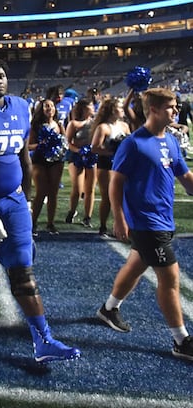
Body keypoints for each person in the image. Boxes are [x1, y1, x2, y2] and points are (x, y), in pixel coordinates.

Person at [0, 58, 80, 363]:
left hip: (14, 200)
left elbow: (24, 159)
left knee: (23, 272)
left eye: (2, 75)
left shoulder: (21, 106)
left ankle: (43, 339)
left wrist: (27, 202)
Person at [96, 87, 193, 361]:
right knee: (169, 277)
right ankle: (181, 339)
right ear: (153, 109)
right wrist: (119, 217)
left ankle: (109, 308)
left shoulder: (171, 141)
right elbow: (116, 182)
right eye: (171, 107)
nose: (176, 111)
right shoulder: (134, 143)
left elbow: (184, 177)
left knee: (137, 264)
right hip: (146, 221)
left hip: (164, 218)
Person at [90, 97, 131, 237]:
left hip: (123, 166)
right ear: (112, 110)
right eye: (120, 107)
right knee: (108, 197)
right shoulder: (103, 127)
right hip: (106, 165)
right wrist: (113, 152)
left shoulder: (125, 126)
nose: (122, 110)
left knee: (124, 196)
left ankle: (121, 226)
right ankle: (103, 226)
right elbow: (95, 148)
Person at [27, 98, 65, 235]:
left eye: (52, 106)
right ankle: (33, 223)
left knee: (53, 193)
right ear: (41, 110)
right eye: (46, 106)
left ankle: (50, 224)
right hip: (39, 160)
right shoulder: (36, 126)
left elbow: (64, 143)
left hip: (56, 161)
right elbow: (28, 146)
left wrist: (58, 147)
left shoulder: (59, 125)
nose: (50, 109)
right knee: (41, 192)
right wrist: (41, 145)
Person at [64, 98, 97, 227]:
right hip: (76, 157)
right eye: (90, 106)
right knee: (77, 189)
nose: (93, 108)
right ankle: (72, 211)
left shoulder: (95, 123)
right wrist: (79, 151)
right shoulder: (74, 124)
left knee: (90, 189)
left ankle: (87, 217)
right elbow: (67, 142)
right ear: (84, 108)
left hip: (92, 157)